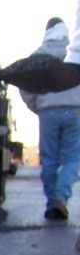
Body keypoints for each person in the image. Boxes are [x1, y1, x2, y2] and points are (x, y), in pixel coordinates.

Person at [19, 17, 80, 221]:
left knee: (49, 160)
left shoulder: (39, 56)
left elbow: (25, 86)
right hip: (74, 112)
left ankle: (53, 201)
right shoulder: (75, 53)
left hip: (48, 113)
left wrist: (36, 106)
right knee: (72, 158)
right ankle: (61, 198)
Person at [1, 0, 80, 94]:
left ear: (48, 31)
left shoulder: (38, 55)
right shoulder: (72, 53)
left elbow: (27, 90)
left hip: (44, 102)